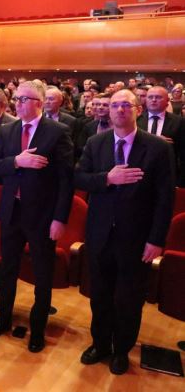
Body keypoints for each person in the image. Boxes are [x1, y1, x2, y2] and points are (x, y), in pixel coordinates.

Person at [75, 89, 175, 375]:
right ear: (108, 111)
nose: (120, 110)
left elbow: (165, 199)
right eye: (115, 105)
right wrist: (107, 178)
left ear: (138, 110)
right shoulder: (96, 142)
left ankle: (121, 350)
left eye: (126, 105)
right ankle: (100, 344)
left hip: (137, 238)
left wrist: (156, 240)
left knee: (129, 299)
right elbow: (79, 177)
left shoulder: (157, 148)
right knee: (100, 295)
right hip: (100, 235)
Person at [0, 80, 74, 353]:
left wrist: (60, 218)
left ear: (39, 103)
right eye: (17, 99)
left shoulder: (57, 132)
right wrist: (16, 161)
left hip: (42, 216)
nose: (18, 103)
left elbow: (66, 180)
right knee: (7, 271)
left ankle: (38, 329)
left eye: (24, 99)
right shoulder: (8, 130)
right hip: (11, 211)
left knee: (42, 275)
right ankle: (3, 319)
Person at [137, 86, 185, 186]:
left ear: (167, 101)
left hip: (168, 175)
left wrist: (180, 182)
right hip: (140, 174)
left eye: (158, 97)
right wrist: (156, 140)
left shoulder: (179, 122)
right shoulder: (136, 120)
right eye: (150, 97)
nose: (154, 100)